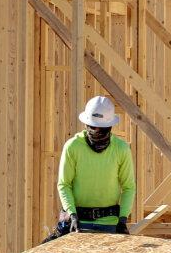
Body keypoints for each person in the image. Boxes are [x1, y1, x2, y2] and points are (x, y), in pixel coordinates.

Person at [51, 95, 136, 237]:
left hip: (110, 224)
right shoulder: (73, 147)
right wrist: (71, 214)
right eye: (93, 127)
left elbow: (129, 187)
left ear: (110, 127)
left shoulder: (121, 149)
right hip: (78, 223)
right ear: (86, 124)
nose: (96, 132)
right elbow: (64, 184)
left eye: (101, 129)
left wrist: (122, 220)